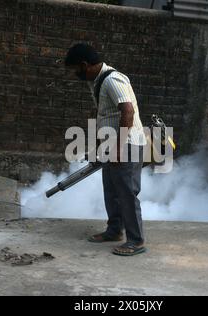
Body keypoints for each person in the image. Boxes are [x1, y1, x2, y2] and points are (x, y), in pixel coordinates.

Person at [64, 43, 147, 256]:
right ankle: (114, 231)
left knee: (127, 193)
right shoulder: (99, 81)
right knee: (112, 191)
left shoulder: (112, 80)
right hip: (113, 144)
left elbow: (127, 112)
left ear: (85, 65)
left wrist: (118, 148)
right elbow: (106, 117)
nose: (76, 75)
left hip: (126, 145)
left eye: (76, 70)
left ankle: (136, 241)